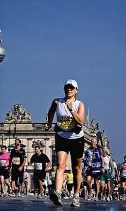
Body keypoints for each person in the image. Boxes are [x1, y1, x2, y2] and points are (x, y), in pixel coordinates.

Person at [46, 79, 85, 207]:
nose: (69, 89)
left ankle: (76, 195)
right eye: (67, 87)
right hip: (62, 136)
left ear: (76, 90)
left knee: (77, 168)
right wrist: (49, 123)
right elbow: (51, 111)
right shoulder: (57, 102)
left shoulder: (79, 104)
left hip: (76, 138)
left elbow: (81, 121)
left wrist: (71, 109)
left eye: (71, 87)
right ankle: (57, 193)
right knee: (60, 165)